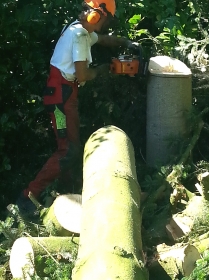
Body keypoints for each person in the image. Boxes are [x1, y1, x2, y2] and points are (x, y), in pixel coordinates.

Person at [16, 0, 139, 218]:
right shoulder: (80, 35)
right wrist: (103, 69)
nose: (106, 24)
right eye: (106, 18)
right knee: (68, 150)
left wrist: (126, 43)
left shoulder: (78, 28)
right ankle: (27, 197)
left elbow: (102, 39)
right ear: (98, 16)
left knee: (70, 147)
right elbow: (83, 74)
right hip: (61, 102)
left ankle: (64, 193)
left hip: (62, 96)